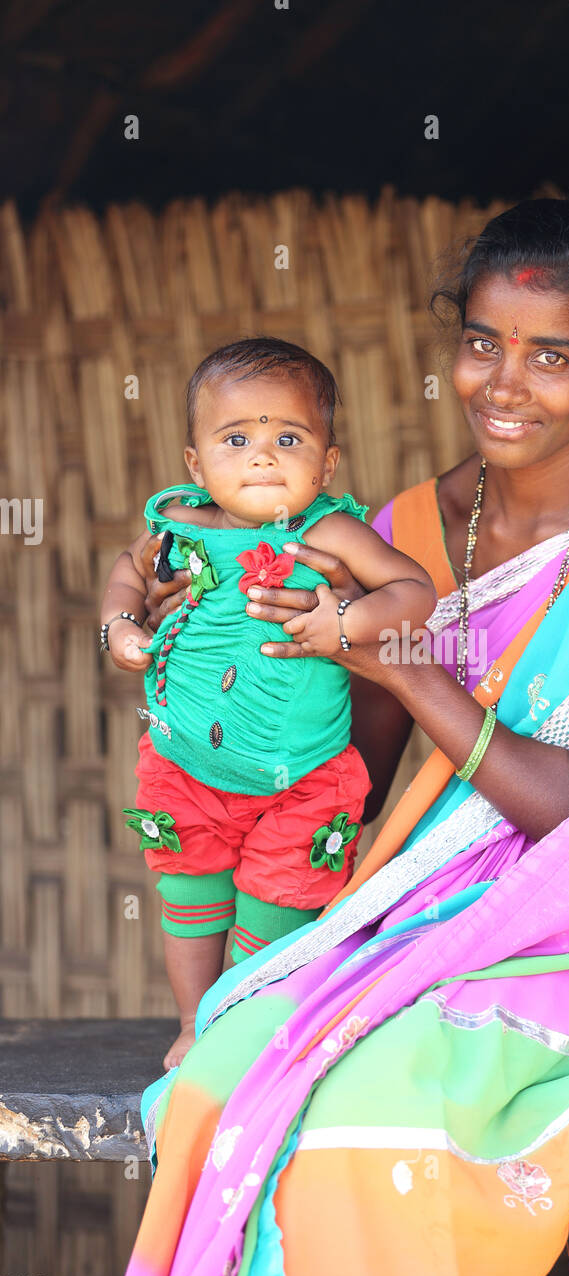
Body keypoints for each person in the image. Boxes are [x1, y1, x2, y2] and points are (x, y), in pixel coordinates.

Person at [118, 195, 569, 1276]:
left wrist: (403, 663)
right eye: (481, 345)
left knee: (371, 1106)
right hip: (400, 913)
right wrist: (225, 673)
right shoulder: (395, 533)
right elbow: (359, 775)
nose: (503, 382)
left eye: (549, 355)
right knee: (224, 1071)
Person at [100, 339, 436, 1068]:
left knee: (275, 909)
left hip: (300, 781)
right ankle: (194, 1025)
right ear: (195, 463)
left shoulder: (328, 531)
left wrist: (342, 625)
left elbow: (416, 594)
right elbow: (127, 571)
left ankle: (246, 1028)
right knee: (189, 899)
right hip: (184, 763)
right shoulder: (180, 525)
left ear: (328, 462)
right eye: (236, 439)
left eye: (288, 438)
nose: (262, 457)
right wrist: (120, 623)